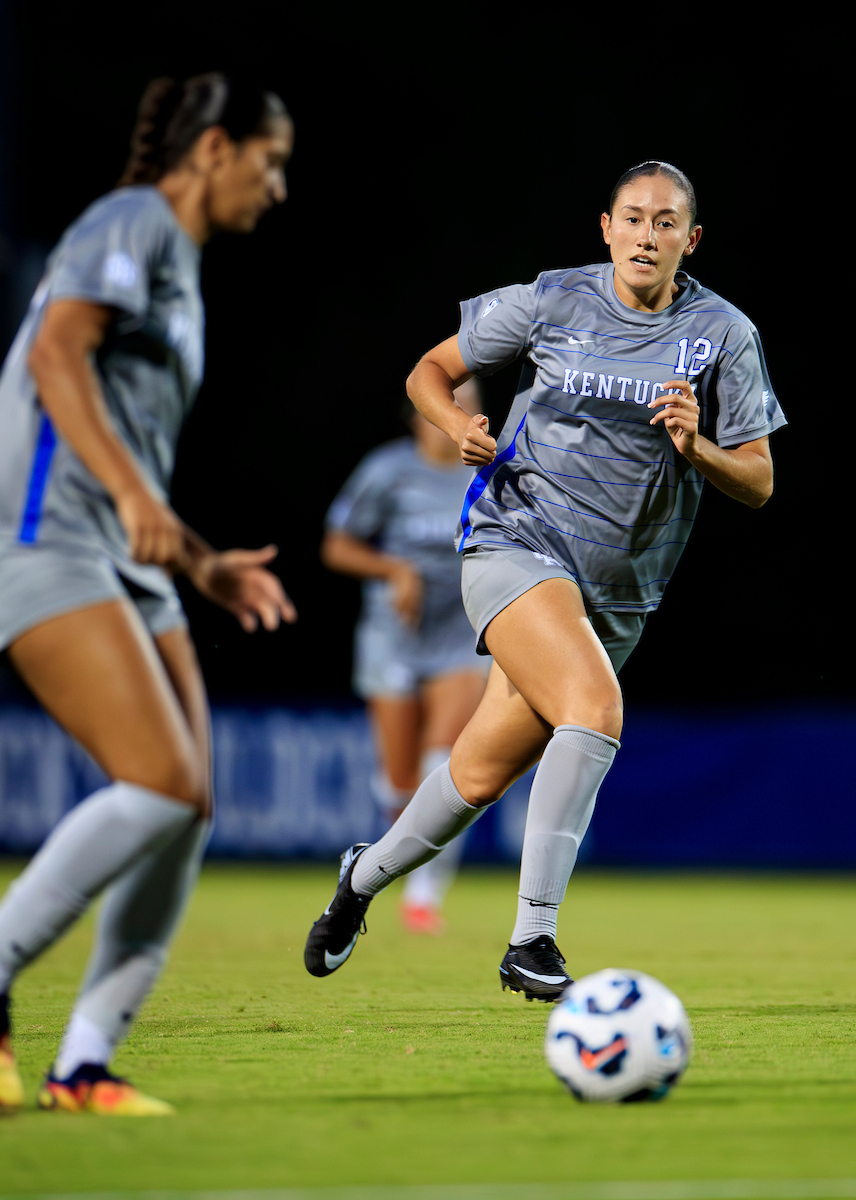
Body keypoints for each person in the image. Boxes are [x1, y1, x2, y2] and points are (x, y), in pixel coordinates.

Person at [305, 160, 785, 996]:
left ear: (691, 239)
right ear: (606, 227)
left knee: (477, 776)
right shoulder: (552, 298)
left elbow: (760, 480)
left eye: (665, 222)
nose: (646, 235)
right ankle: (533, 937)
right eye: (632, 218)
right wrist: (456, 423)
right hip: (515, 541)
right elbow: (427, 371)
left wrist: (698, 446)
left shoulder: (724, 333)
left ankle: (361, 878)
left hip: (620, 594)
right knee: (596, 712)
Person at [0, 73, 296, 1114]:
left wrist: (201, 563)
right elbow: (56, 353)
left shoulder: (180, 265)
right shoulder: (133, 220)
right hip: (38, 529)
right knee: (162, 784)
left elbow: (126, 449)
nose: (278, 187)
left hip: (122, 554)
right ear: (215, 149)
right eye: (270, 163)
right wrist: (137, 498)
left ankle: (82, 1064)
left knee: (189, 806)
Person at [321, 382, 490, 934]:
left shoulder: (491, 473)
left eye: (470, 405)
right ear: (421, 413)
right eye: (449, 404)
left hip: (460, 633)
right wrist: (394, 570)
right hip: (393, 633)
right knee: (398, 783)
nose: (460, 415)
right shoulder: (387, 470)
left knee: (442, 763)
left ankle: (422, 895)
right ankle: (385, 863)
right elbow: (337, 544)